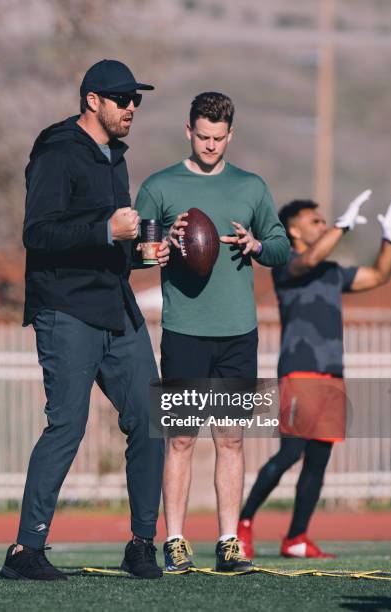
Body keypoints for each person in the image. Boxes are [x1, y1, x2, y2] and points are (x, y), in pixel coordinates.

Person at [1, 59, 170, 581]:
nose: (131, 108)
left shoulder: (114, 158)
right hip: (66, 308)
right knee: (66, 426)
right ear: (92, 101)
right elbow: (39, 234)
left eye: (136, 100)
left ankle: (142, 544)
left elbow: (115, 243)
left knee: (151, 417)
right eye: (122, 99)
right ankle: (25, 552)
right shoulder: (56, 149)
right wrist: (104, 229)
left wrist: (144, 255)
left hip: (113, 303)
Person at [135, 92, 290, 572]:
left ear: (231, 135)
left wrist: (257, 242)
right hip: (184, 330)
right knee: (180, 439)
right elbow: (139, 253)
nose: (210, 145)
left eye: (219, 138)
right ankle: (176, 540)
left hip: (238, 332)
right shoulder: (159, 186)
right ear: (188, 131)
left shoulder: (251, 186)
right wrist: (161, 247)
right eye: (202, 136)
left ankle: (228, 541)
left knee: (231, 439)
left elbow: (282, 248)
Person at [238, 193, 391, 558]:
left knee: (319, 458)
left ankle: (296, 537)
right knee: (291, 452)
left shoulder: (331, 271)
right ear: (293, 229)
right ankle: (243, 523)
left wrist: (390, 238)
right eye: (316, 221)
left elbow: (377, 275)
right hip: (300, 370)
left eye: (325, 222)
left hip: (332, 374)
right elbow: (310, 258)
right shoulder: (287, 264)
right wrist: (342, 226)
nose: (323, 225)